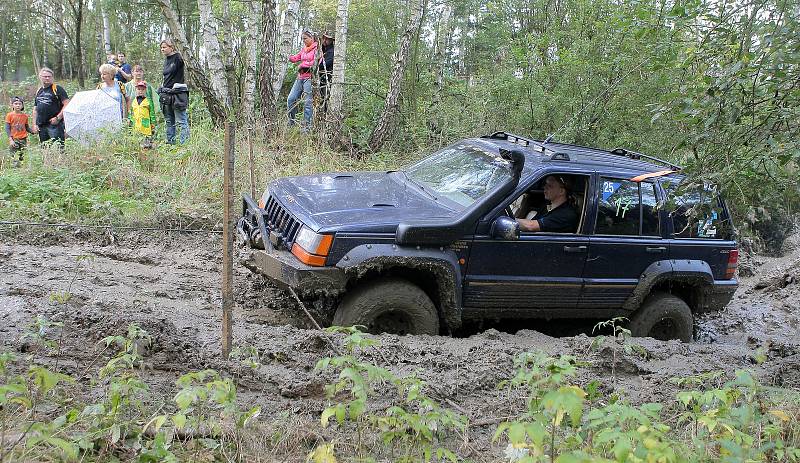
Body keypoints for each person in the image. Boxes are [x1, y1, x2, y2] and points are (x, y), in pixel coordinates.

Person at [159, 39, 189, 144]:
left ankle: (184, 145)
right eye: (161, 47)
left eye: (165, 47)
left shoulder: (178, 57)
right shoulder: (166, 60)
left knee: (181, 121)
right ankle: (171, 144)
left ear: (171, 47)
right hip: (166, 95)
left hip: (178, 95)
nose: (162, 49)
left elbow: (185, 58)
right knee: (169, 121)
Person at [287, 30, 317, 129]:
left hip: (309, 78)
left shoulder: (317, 49)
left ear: (311, 38)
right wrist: (288, 56)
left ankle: (307, 127)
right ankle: (291, 123)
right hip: (300, 77)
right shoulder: (304, 49)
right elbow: (296, 58)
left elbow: (316, 63)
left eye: (305, 38)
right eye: (302, 38)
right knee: (291, 99)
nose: (303, 41)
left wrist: (303, 65)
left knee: (308, 102)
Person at [32, 67, 70, 145]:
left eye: (49, 76)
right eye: (45, 76)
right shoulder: (39, 90)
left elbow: (67, 104)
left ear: (52, 78)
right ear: (40, 77)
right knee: (45, 149)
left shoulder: (57, 89)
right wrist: (34, 124)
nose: (47, 78)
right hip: (41, 126)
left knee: (59, 148)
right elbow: (35, 109)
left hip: (54, 125)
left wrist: (58, 118)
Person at [5, 97, 34, 167]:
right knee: (13, 154)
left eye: (20, 104)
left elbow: (26, 127)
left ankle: (22, 168)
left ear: (22, 106)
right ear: (12, 105)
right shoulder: (9, 115)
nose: (18, 105)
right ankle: (15, 168)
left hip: (23, 138)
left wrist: (33, 131)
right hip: (14, 139)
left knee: (22, 154)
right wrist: (10, 139)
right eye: (16, 104)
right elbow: (7, 128)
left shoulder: (25, 116)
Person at [129, 81, 157, 149]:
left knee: (146, 144)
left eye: (142, 89)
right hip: (136, 126)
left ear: (145, 90)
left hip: (145, 125)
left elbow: (152, 113)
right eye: (139, 89)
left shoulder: (148, 100)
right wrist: (130, 121)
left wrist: (153, 123)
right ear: (136, 90)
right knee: (137, 143)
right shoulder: (134, 101)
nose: (140, 91)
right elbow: (131, 112)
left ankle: (147, 155)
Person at [318, 32, 335, 114]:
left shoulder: (332, 51)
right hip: (320, 77)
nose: (325, 40)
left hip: (327, 78)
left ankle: (325, 115)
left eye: (327, 39)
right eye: (324, 38)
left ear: (331, 40)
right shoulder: (322, 49)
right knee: (321, 97)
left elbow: (327, 63)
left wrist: (317, 65)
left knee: (325, 97)